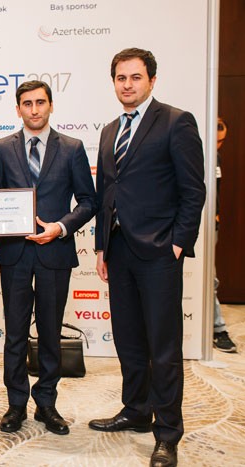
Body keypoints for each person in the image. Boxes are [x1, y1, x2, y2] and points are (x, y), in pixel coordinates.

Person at [91, 48, 206, 467]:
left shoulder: (176, 122)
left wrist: (177, 243)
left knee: (163, 346)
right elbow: (106, 193)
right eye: (121, 78)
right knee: (129, 340)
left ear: (152, 81)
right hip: (119, 250)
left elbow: (193, 191)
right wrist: (102, 247)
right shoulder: (109, 130)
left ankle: (168, 433)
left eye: (135, 77)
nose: (128, 85)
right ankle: (136, 410)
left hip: (159, 252)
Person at [0, 80, 96, 436]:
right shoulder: (2, 148)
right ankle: (16, 403)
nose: (34, 109)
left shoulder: (72, 148)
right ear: (17, 108)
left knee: (50, 332)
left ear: (51, 105)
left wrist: (61, 227)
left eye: (40, 102)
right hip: (15, 253)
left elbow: (88, 201)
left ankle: (47, 403)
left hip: (55, 251)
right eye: (27, 103)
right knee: (15, 333)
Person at [213, 117, 237, 352]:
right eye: (215, 141)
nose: (217, 146)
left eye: (221, 142)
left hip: (212, 226)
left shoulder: (216, 157)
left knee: (211, 280)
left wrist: (216, 215)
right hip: (186, 227)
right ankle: (217, 328)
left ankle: (217, 328)